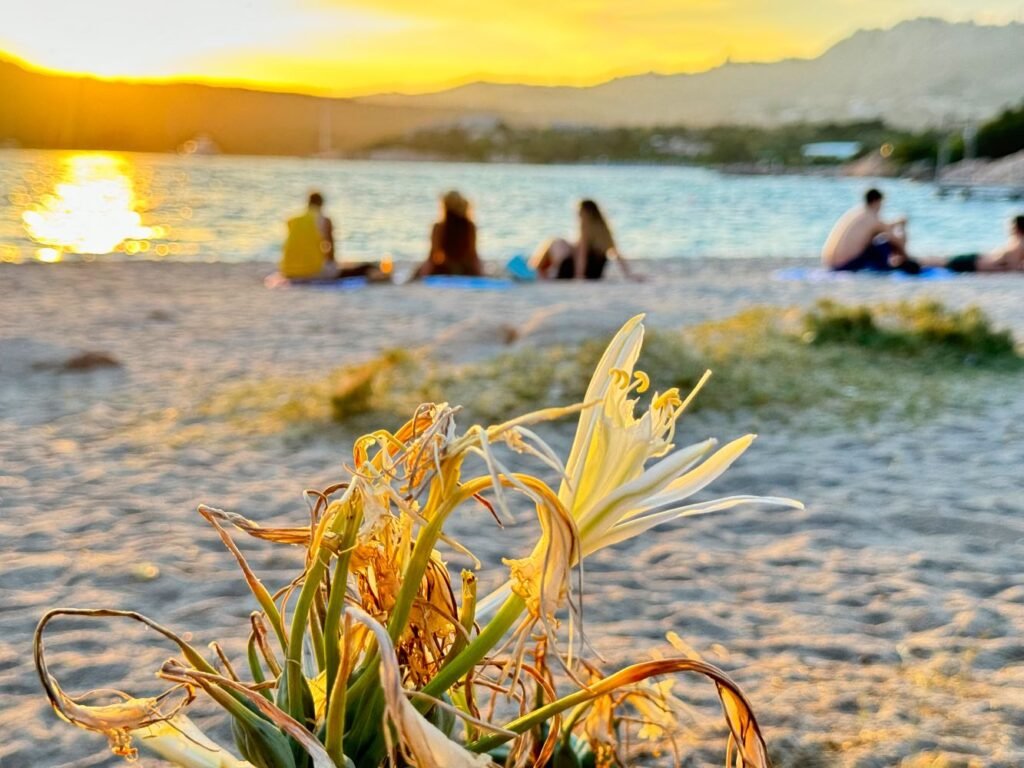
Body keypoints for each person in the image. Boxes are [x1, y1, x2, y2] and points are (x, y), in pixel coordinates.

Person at [279, 192, 387, 281]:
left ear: (308, 203)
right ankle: (381, 272)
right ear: (321, 204)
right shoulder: (324, 220)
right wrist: (332, 265)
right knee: (362, 268)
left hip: (288, 271)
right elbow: (330, 248)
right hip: (313, 271)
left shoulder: (292, 220)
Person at [532, 199, 641, 281]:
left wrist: (579, 276)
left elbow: (582, 255)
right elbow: (617, 254)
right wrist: (628, 274)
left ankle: (537, 270)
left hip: (577, 271)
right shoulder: (604, 231)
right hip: (595, 274)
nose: (578, 215)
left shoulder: (586, 228)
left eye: (579, 212)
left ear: (585, 213)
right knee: (562, 242)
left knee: (556, 242)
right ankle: (539, 271)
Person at [822, 189, 920, 273]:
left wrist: (896, 223)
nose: (881, 208)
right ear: (876, 202)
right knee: (883, 244)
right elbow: (896, 241)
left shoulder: (856, 214)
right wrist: (903, 228)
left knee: (875, 243)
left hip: (830, 263)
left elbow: (883, 227)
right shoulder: (873, 218)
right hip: (845, 265)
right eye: (881, 204)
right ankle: (886, 268)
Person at [412, 190, 483, 278]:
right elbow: (473, 255)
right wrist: (480, 273)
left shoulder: (439, 227)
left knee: (417, 272)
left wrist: (421, 275)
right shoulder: (469, 226)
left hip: (445, 269)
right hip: (466, 270)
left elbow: (433, 256)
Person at [943, 215, 1024, 273]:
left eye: (1010, 226)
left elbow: (1012, 267)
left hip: (975, 264)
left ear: (1016, 227)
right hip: (978, 261)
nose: (1007, 229)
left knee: (942, 262)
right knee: (943, 261)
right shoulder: (1016, 241)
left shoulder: (1018, 244)